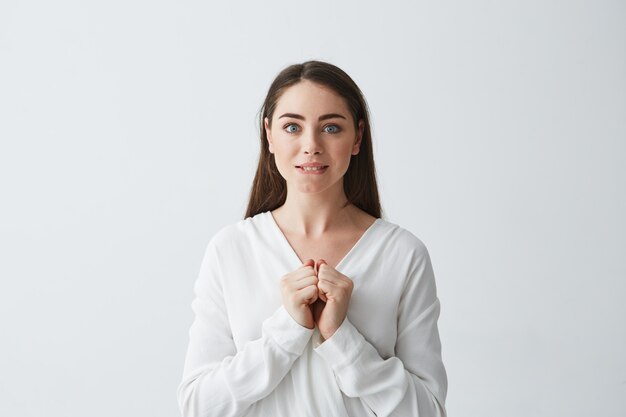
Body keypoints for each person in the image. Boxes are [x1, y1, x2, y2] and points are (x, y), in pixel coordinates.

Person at [177, 60, 448, 417]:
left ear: (358, 138)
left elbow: (428, 412)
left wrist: (341, 337)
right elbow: (198, 407)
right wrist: (286, 331)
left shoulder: (403, 254)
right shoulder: (231, 250)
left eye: (331, 128)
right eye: (292, 127)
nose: (311, 146)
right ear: (269, 136)